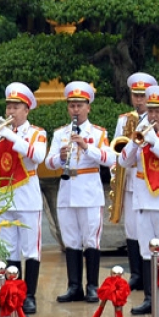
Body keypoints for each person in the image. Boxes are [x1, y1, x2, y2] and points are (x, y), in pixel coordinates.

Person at [0, 83, 47, 314]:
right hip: (4, 197)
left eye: (16, 107)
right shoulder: (1, 132)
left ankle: (30, 296)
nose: (11, 111)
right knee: (9, 250)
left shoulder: (37, 133)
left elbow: (37, 156)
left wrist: (10, 135)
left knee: (31, 250)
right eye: (8, 106)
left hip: (27, 198)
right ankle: (13, 293)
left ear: (26, 110)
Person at [117, 86, 159, 314]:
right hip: (143, 202)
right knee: (147, 252)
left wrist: (154, 141)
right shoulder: (141, 136)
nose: (153, 116)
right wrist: (135, 142)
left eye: (158, 111)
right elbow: (123, 162)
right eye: (151, 111)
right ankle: (149, 297)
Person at [45, 81, 116, 303]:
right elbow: (49, 163)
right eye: (72, 105)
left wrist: (86, 147)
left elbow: (110, 158)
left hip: (89, 192)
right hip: (67, 192)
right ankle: (74, 286)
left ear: (88, 107)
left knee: (90, 239)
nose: (75, 109)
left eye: (79, 105)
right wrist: (61, 157)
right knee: (71, 240)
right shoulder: (60, 134)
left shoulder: (98, 133)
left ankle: (92, 286)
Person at [113, 73, 156, 293]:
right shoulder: (124, 120)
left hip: (151, 181)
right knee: (131, 229)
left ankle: (150, 275)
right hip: (130, 180)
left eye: (143, 95)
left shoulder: (156, 120)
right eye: (135, 95)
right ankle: (136, 274)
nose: (139, 100)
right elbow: (116, 147)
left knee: (146, 230)